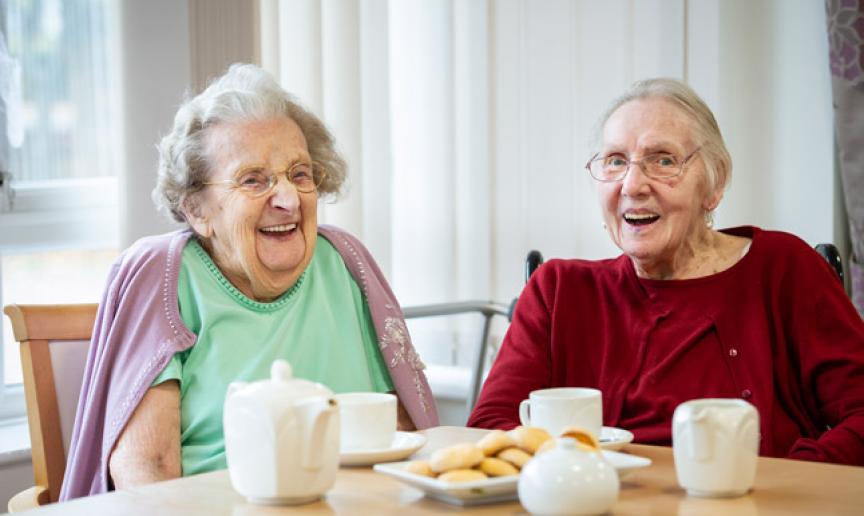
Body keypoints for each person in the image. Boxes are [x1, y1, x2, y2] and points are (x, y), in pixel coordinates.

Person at [61, 63, 438, 500]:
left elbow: (402, 431)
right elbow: (147, 471)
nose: (287, 199)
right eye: (253, 180)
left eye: (299, 173)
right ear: (197, 210)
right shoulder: (163, 276)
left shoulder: (346, 263)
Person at [467, 78, 864, 465]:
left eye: (663, 160)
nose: (632, 185)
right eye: (616, 161)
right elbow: (490, 429)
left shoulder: (782, 267)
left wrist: (787, 484)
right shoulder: (557, 291)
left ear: (715, 183)